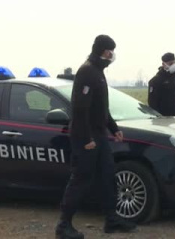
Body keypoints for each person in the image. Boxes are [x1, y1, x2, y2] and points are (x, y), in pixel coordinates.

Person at [55, 35, 136, 239]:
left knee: (108, 177)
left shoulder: (98, 72)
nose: (112, 57)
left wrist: (113, 128)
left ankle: (111, 219)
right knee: (80, 179)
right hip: (86, 137)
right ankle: (63, 226)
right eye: (110, 52)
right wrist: (86, 139)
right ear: (102, 51)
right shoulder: (87, 71)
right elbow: (80, 109)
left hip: (99, 135)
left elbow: (101, 108)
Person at [148, 52, 175, 117]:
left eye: (174, 63)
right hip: (162, 116)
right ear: (163, 64)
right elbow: (152, 102)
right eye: (170, 64)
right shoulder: (155, 81)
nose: (173, 65)